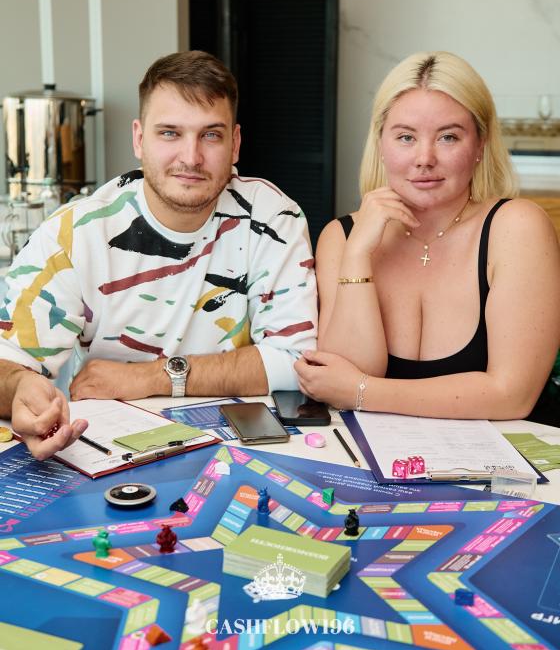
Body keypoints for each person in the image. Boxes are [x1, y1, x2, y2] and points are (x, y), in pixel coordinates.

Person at [0, 51, 317, 459]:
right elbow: (7, 362)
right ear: (138, 139)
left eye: (211, 135)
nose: (191, 157)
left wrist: (151, 377)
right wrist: (21, 387)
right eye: (170, 133)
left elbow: (297, 361)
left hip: (242, 449)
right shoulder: (75, 233)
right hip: (111, 451)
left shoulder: (272, 217)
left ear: (235, 144)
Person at [296, 51, 560, 420]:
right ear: (381, 144)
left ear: (480, 144)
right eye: (406, 137)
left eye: (448, 137)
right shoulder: (343, 237)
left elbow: (511, 396)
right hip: (377, 453)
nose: (424, 158)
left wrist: (362, 391)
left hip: (510, 454)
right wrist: (357, 255)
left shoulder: (516, 227)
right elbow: (342, 378)